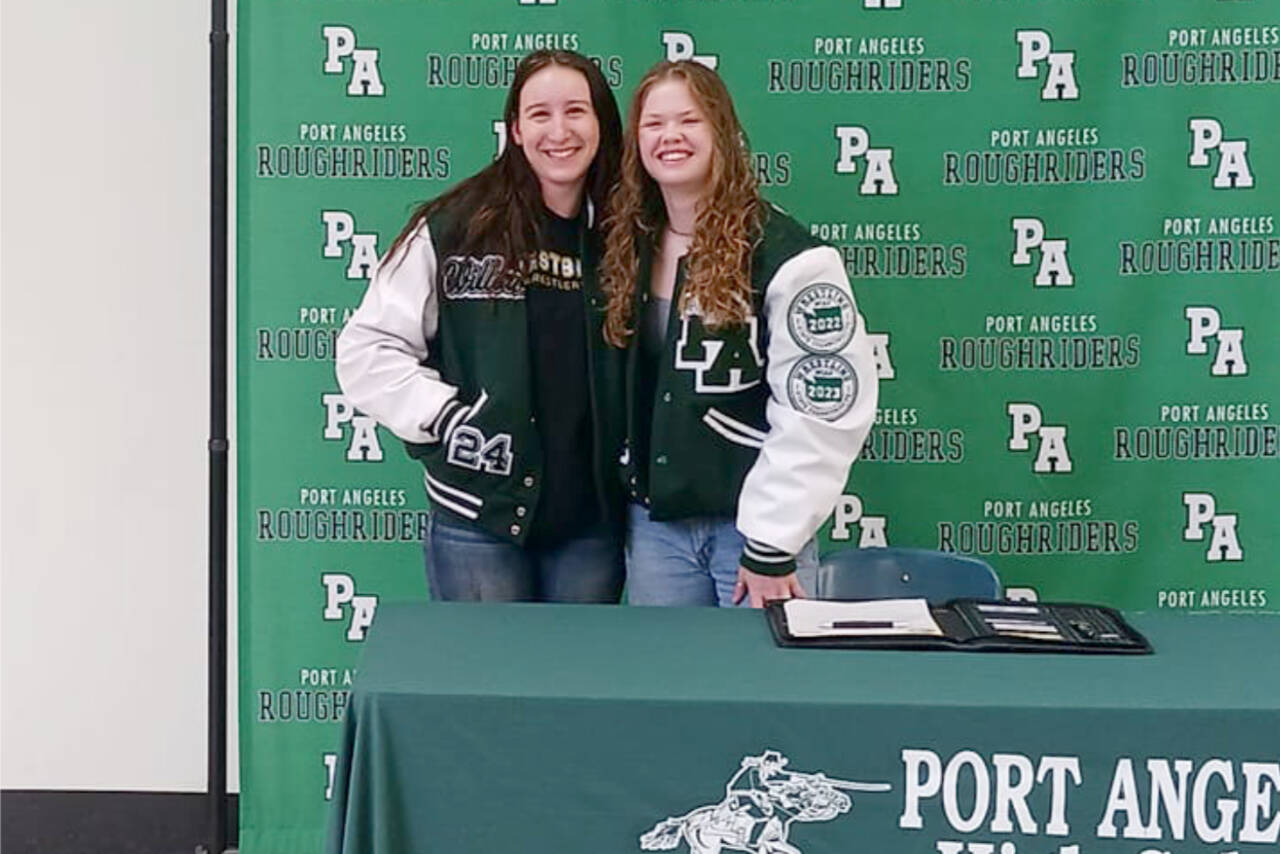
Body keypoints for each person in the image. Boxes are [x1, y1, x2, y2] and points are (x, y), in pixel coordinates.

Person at [335, 50, 625, 602]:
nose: (559, 131)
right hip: (477, 517)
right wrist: (446, 418)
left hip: (591, 524)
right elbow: (366, 349)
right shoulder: (457, 226)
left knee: (577, 687)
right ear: (515, 129)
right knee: (483, 687)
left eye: (576, 112)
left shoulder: (626, 233)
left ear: (601, 124)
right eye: (539, 114)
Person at [600, 60, 878, 608]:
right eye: (654, 124)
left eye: (689, 121)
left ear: (722, 133)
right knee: (670, 689)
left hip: (750, 533)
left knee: (765, 691)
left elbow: (822, 404)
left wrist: (773, 541)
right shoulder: (626, 248)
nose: (670, 136)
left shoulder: (791, 257)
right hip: (657, 529)